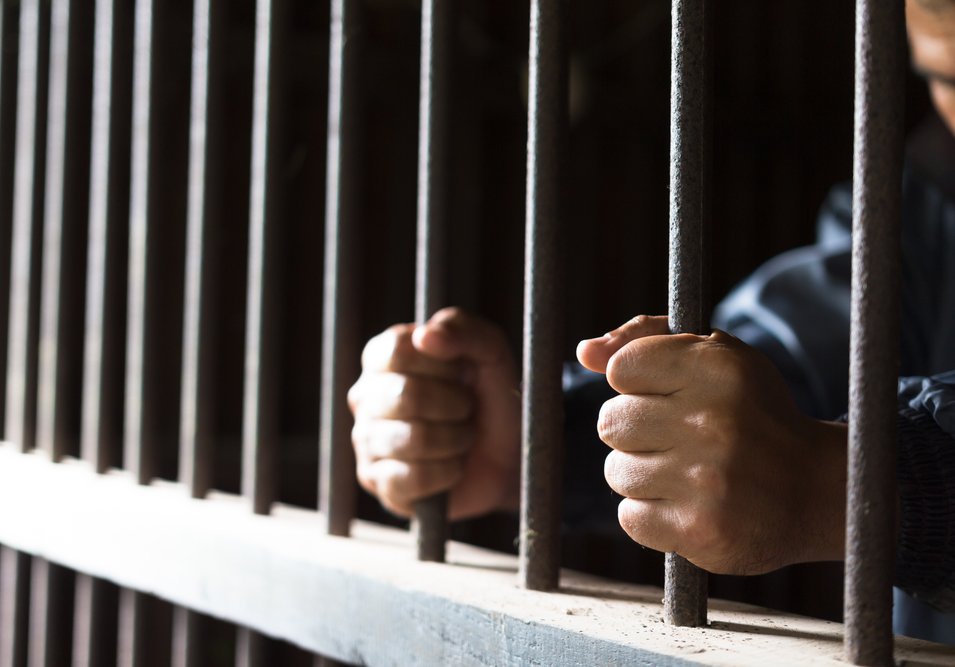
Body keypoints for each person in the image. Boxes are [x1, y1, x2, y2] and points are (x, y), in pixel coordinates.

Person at [347, 0, 955, 644]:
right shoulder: (924, 207)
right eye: (946, 77)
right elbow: (791, 354)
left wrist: (860, 487)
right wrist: (540, 443)